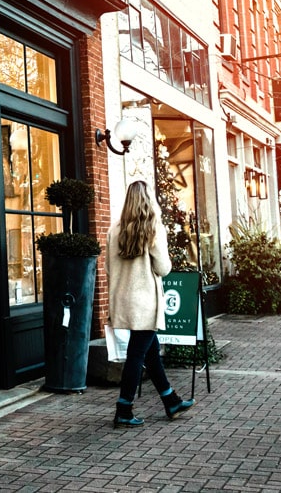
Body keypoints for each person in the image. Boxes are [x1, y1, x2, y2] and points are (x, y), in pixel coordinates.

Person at [107, 180, 195, 427]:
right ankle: (123, 408)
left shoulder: (114, 230)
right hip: (145, 302)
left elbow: (108, 268)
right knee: (136, 355)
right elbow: (164, 268)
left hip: (123, 300)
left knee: (151, 353)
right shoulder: (153, 229)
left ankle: (171, 401)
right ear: (148, 200)